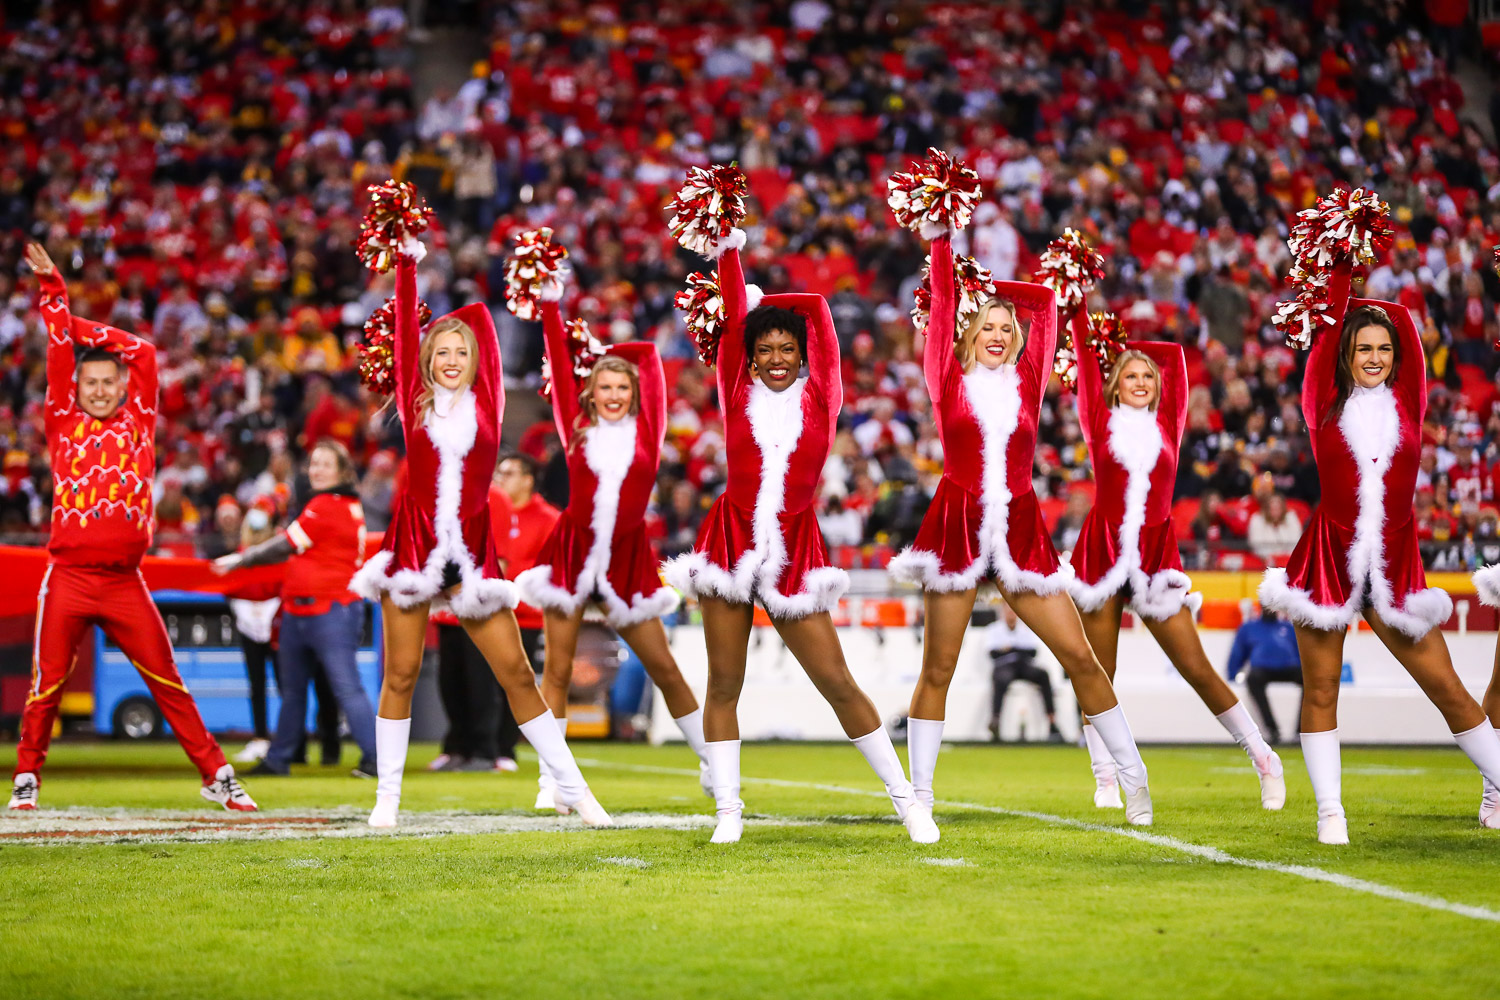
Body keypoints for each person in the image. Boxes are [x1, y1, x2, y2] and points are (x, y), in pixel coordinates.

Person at [664, 207, 937, 845]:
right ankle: (728, 811)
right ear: (750, 361)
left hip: (795, 548)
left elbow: (815, 307)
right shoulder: (736, 393)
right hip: (729, 542)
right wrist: (731, 256)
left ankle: (907, 803)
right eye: (766, 351)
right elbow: (734, 316)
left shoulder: (824, 396)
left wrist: (768, 300)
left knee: (837, 680)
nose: (778, 358)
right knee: (723, 682)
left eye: (788, 349)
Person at [886, 205, 1153, 826]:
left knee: (1080, 656)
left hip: (1021, 528)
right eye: (986, 327)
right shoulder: (944, 376)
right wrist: (945, 242)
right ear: (966, 335)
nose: (1000, 334)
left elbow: (1044, 304)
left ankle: (1132, 776)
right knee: (940, 668)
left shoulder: (1028, 380)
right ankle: (920, 797)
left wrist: (1012, 290)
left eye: (1008, 327)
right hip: (956, 523)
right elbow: (949, 298)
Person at [346, 219, 609, 828]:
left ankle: (574, 789)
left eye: (462, 353)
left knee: (516, 670)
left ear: (476, 363)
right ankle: (386, 799)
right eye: (442, 352)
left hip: (471, 553)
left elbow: (488, 333)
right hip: (413, 545)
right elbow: (412, 326)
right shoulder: (414, 406)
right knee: (402, 672)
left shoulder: (489, 401)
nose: (452, 360)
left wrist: (546, 305)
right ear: (426, 361)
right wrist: (409, 264)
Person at [1258, 262, 1500, 843]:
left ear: (1397, 356)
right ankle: (1330, 815)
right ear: (1345, 355)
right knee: (1320, 693)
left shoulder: (1409, 407)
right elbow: (1321, 347)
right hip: (1327, 563)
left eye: (1383, 348)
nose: (1373, 357)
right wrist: (1342, 262)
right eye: (1361, 347)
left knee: (1448, 689)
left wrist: (1390, 312)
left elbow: (1411, 342)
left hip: (1396, 571)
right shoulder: (1324, 407)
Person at [8, 243, 255, 813]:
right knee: (46, 685)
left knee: (167, 680)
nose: (96, 390)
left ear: (121, 388)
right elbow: (55, 348)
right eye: (88, 382)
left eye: (106, 383)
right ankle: (27, 778)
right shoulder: (60, 419)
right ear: (74, 388)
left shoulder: (140, 418)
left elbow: (141, 351)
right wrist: (55, 298)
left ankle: (216, 773)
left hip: (124, 579)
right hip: (67, 576)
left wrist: (74, 319)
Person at [1066, 320, 1283, 810]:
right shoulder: (1098, 421)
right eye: (1129, 377)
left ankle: (1263, 756)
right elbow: (1082, 354)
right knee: (1098, 671)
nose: (1141, 383)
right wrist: (1085, 319)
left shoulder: (1169, 424)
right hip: (1102, 553)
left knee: (1196, 666)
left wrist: (1122, 344)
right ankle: (1106, 778)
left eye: (1147, 377)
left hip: (1155, 558)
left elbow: (1173, 359)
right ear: (1113, 386)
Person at [519, 262, 710, 813]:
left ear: (634, 393)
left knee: (663, 666)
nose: (612, 394)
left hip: (627, 556)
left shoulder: (648, 432)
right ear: (589, 392)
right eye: (603, 386)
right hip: (573, 551)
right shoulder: (573, 427)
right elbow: (557, 356)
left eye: (621, 387)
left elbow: (651, 373)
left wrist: (628, 354)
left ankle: (709, 759)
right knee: (554, 669)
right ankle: (551, 779)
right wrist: (552, 306)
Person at [214, 441, 380, 779]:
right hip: (306, 608)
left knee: (340, 687)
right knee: (302, 690)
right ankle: (281, 758)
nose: (316, 469)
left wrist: (241, 559)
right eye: (313, 463)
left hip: (328, 608)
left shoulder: (327, 504)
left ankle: (376, 758)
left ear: (342, 471)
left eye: (325, 464)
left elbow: (287, 543)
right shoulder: (341, 503)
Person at [984, 603, 1063, 742]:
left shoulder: (1025, 628)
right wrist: (1017, 649)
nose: (1011, 614)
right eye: (1008, 611)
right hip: (1004, 666)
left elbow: (1032, 652)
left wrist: (1009, 649)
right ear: (1002, 612)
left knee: (1043, 674)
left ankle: (1052, 721)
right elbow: (993, 653)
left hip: (1023, 665)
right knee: (1000, 679)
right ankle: (995, 720)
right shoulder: (993, 629)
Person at [1225, 605, 1303, 745]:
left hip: (1290, 668)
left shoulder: (1288, 627)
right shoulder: (1249, 628)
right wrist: (1232, 675)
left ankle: (1301, 731)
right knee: (1253, 679)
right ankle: (1272, 729)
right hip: (1262, 669)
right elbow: (1237, 653)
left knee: (1309, 681)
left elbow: (1301, 653)